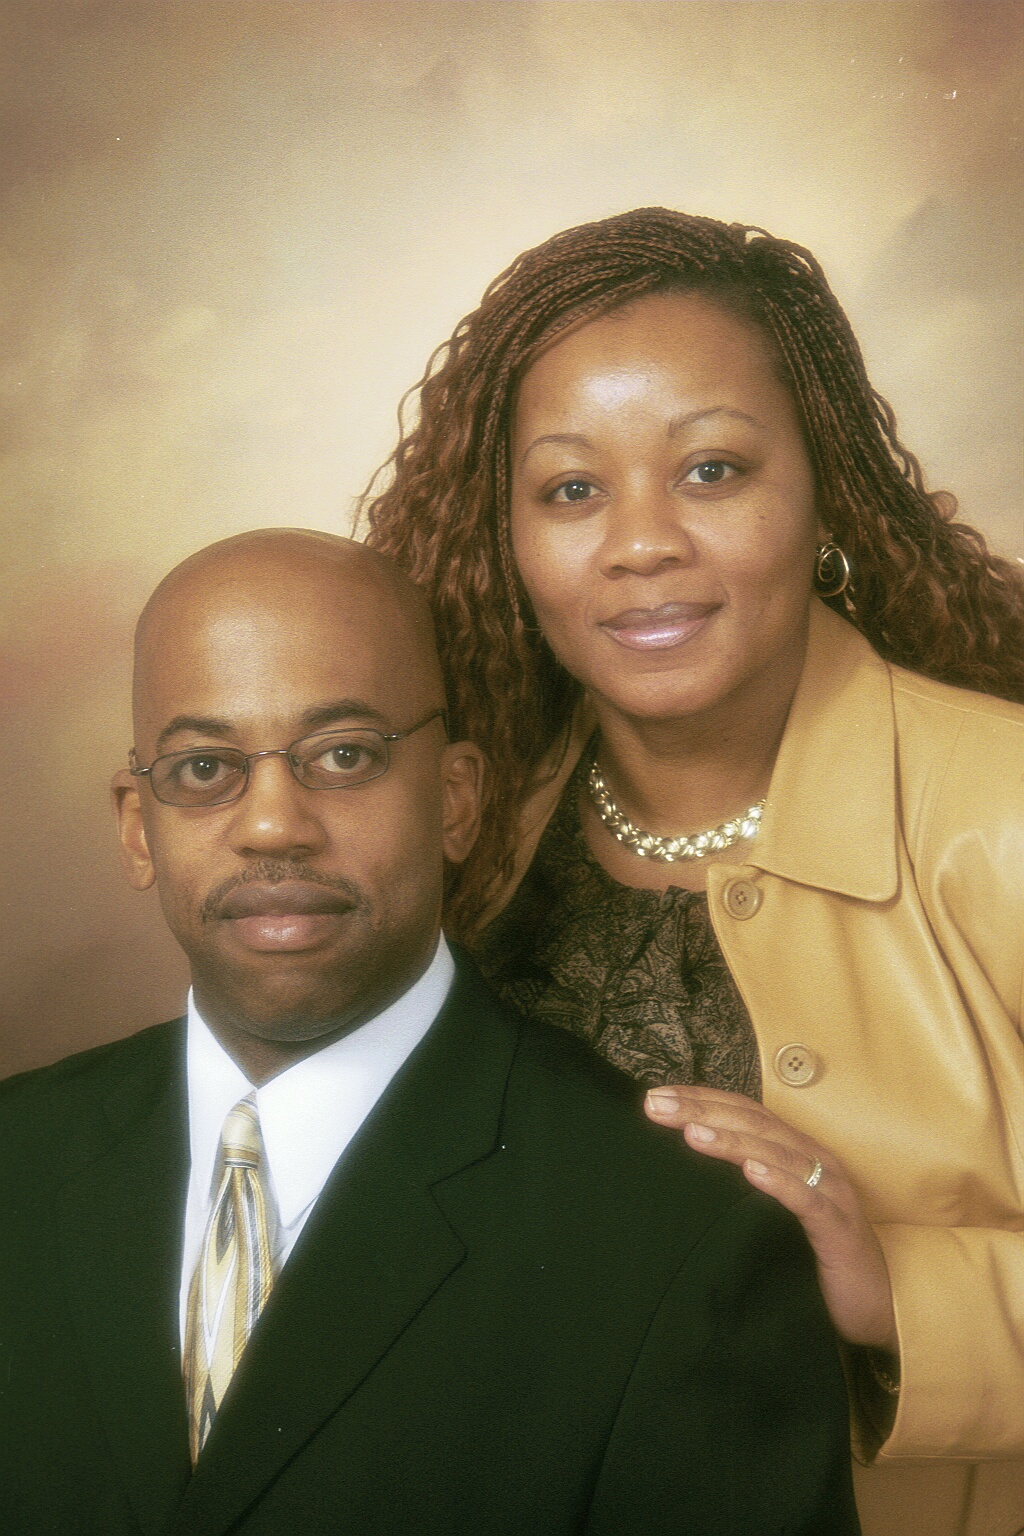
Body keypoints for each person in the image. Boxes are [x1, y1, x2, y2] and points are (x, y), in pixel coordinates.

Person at [362, 208, 1024, 1536]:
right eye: (571, 490)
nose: (640, 542)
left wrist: (901, 1291)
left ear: (822, 493)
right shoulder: (468, 839)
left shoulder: (1002, 810)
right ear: (508, 542)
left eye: (711, 470)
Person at [0, 528, 858, 1534]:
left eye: (345, 755)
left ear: (455, 800)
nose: (273, 825)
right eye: (202, 770)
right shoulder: (18, 1155)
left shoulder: (684, 1239)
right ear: (135, 825)